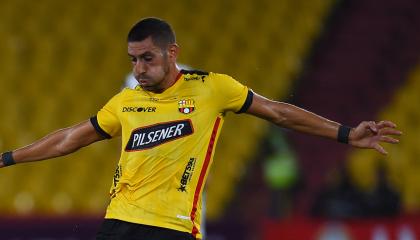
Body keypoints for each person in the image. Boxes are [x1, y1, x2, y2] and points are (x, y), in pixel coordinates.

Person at [0, 17, 402, 240]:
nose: (138, 69)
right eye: (132, 60)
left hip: (173, 229)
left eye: (146, 58)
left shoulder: (213, 88)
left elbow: (278, 112)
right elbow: (71, 138)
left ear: (171, 53)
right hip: (119, 224)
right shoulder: (124, 102)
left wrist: (347, 134)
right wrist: (7, 158)